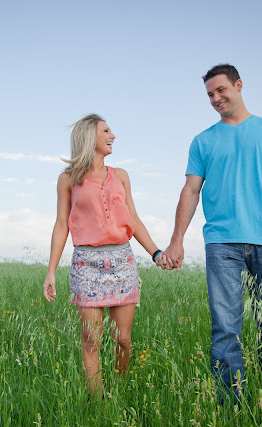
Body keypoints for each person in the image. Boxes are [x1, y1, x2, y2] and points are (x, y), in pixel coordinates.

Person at [161, 64, 262, 400]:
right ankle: (230, 402)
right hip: (221, 243)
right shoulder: (203, 141)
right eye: (210, 94)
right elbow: (190, 191)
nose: (216, 98)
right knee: (225, 327)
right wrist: (176, 240)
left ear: (238, 85)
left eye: (221, 90)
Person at [42, 113, 164, 398]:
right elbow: (62, 225)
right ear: (89, 138)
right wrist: (51, 271)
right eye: (106, 131)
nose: (113, 136)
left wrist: (155, 252)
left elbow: (132, 218)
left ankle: (119, 393)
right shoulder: (67, 180)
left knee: (122, 339)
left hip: (122, 263)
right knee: (90, 341)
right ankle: (97, 405)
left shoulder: (121, 176)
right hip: (87, 265)